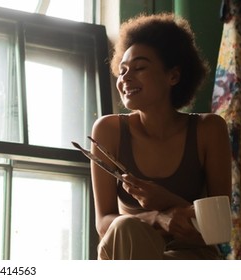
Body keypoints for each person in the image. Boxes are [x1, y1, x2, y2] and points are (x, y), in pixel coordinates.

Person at [91, 13, 231, 260]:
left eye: (140, 67)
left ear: (173, 76)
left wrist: (164, 199)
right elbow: (104, 224)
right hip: (128, 251)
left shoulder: (208, 129)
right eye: (122, 71)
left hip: (190, 257)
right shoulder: (108, 130)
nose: (125, 78)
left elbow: (219, 228)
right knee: (124, 227)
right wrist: (157, 218)